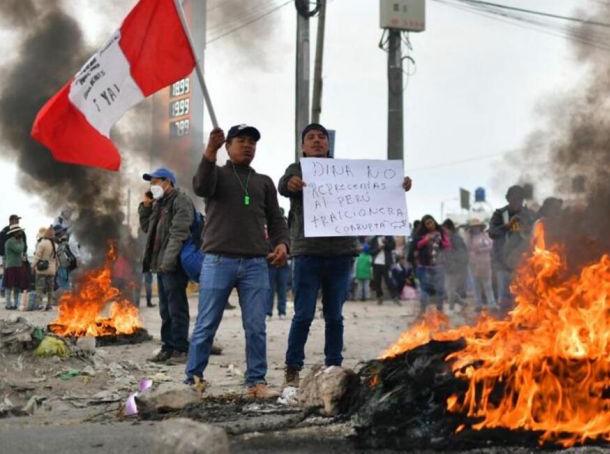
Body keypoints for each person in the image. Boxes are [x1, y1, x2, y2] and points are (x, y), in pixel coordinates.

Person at [278, 123, 412, 386]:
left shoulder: (345, 172)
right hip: (308, 254)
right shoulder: (297, 169)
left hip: (340, 255)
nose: (316, 141)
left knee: (335, 316)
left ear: (328, 144)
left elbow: (379, 191)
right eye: (311, 138)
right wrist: (290, 184)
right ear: (302, 146)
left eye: (321, 138)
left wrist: (399, 185)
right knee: (303, 314)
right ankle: (292, 368)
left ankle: (334, 367)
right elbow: (283, 185)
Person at [186, 125, 290, 399]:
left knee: (256, 326)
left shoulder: (264, 182)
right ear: (228, 146)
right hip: (218, 261)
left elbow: (277, 219)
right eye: (241, 141)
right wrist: (210, 150)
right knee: (206, 324)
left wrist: (282, 243)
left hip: (256, 263)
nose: (247, 146)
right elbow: (200, 186)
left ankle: (256, 381)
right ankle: (193, 379)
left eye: (252, 142)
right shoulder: (217, 175)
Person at [139, 167, 195, 365]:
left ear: (168, 181)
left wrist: (168, 262)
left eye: (156, 181)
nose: (153, 186)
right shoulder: (159, 204)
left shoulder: (181, 201)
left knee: (176, 307)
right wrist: (145, 207)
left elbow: (179, 234)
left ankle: (181, 349)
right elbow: (147, 228)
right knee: (165, 308)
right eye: (151, 182)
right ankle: (168, 347)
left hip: (174, 264)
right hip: (161, 264)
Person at [489, 185, 537, 311]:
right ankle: (504, 327)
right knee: (505, 300)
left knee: (525, 298)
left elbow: (537, 236)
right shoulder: (500, 214)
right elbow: (492, 233)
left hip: (524, 265)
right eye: (513, 199)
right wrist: (508, 226)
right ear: (508, 199)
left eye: (519, 199)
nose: (516, 202)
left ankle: (521, 326)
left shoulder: (530, 215)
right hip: (502, 264)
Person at [415, 215, 450, 314]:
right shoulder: (420, 235)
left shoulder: (441, 233)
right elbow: (416, 245)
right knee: (424, 290)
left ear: (434, 222)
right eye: (427, 224)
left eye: (431, 222)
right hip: (424, 266)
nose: (430, 225)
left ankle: (440, 311)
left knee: (440, 290)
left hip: (438, 266)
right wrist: (426, 239)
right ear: (424, 226)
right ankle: (422, 312)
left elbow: (448, 245)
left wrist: (440, 241)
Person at [466, 218, 495, 311]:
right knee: (476, 285)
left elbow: (490, 246)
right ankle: (478, 304)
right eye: (473, 227)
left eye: (477, 227)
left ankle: (492, 304)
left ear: (480, 227)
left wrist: (480, 250)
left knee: (487, 285)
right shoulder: (469, 237)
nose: (475, 229)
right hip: (473, 264)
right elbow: (467, 248)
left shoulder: (485, 235)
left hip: (485, 263)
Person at [442, 219, 469, 311]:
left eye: (444, 229)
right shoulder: (448, 238)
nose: (443, 231)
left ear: (449, 229)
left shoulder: (456, 238)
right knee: (449, 289)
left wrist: (457, 265)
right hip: (448, 267)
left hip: (454, 268)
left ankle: (451, 308)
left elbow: (462, 254)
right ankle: (462, 303)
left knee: (450, 289)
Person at [368, 236, 400, 305]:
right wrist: (378, 248)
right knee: (377, 281)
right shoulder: (374, 239)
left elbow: (393, 247)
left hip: (386, 264)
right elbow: (370, 251)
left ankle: (395, 297)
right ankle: (379, 297)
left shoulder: (389, 237)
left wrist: (385, 243)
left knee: (389, 280)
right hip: (376, 264)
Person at [33, 227, 58, 311]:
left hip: (42, 269)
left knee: (39, 288)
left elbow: (37, 256)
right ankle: (49, 305)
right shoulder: (55, 245)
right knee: (50, 289)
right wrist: (56, 268)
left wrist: (32, 265)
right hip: (52, 270)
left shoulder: (42, 244)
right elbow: (57, 259)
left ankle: (40, 305)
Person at [3, 226, 28, 310]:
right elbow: (19, 249)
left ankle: (16, 304)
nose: (20, 234)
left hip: (17, 266)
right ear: (14, 233)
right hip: (11, 266)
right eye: (19, 232)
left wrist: (21, 242)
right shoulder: (10, 242)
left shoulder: (17, 241)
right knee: (9, 286)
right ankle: (8, 304)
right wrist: (22, 243)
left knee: (17, 286)